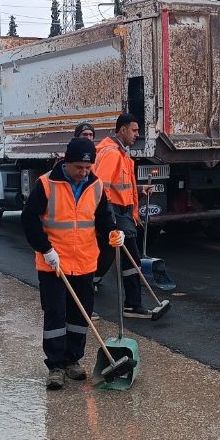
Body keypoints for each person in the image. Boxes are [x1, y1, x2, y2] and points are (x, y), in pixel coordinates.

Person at [22, 136, 118, 389]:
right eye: (79, 168)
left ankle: (73, 360)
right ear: (66, 162)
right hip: (54, 263)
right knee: (55, 313)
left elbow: (104, 218)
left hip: (85, 261)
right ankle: (55, 365)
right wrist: (45, 249)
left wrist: (112, 233)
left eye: (88, 168)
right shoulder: (46, 185)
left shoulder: (95, 186)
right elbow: (29, 220)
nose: (84, 173)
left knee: (80, 315)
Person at [94, 114, 154, 318]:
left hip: (122, 211)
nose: (137, 134)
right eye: (134, 130)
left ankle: (91, 280)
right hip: (116, 212)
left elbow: (121, 186)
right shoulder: (112, 154)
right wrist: (108, 215)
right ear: (122, 130)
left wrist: (139, 189)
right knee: (132, 259)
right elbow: (102, 187)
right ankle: (133, 304)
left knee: (107, 252)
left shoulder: (121, 153)